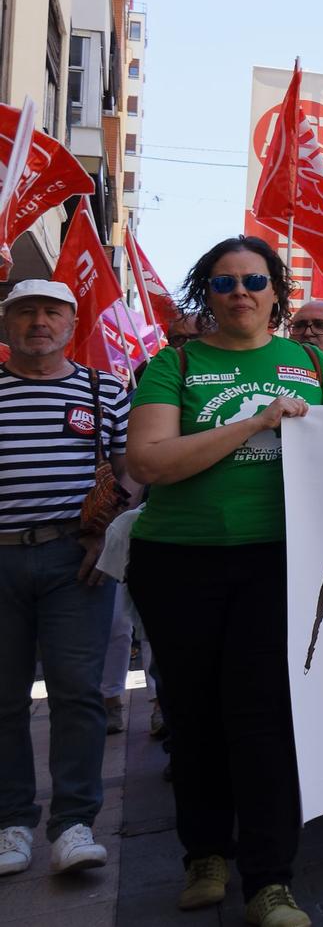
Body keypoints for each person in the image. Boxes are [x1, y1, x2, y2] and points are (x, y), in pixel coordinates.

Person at [125, 238, 323, 926]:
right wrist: (257, 421)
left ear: (276, 291)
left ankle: (270, 880)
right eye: (224, 282)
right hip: (180, 563)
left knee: (264, 720)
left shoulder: (311, 362)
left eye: (254, 279)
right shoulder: (176, 363)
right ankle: (205, 853)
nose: (240, 291)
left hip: (280, 562)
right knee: (193, 716)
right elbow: (151, 462)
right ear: (207, 293)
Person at [0, 280, 126, 880]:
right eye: (26, 313)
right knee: (3, 699)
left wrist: (108, 536)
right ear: (7, 324)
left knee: (78, 692)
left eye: (52, 312)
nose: (39, 323)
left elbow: (134, 475)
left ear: (72, 325)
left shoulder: (105, 392)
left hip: (75, 561)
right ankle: (10, 823)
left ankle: (74, 825)